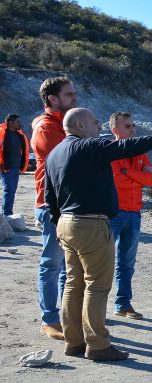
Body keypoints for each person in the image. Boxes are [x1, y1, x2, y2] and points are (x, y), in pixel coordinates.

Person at [44, 107, 152, 361]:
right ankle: (98, 345)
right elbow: (128, 146)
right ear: (80, 126)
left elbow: (50, 197)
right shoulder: (88, 147)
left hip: (67, 224)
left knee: (73, 284)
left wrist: (60, 224)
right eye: (94, 122)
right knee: (97, 286)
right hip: (90, 224)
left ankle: (74, 342)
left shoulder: (54, 153)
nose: (98, 125)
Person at [31, 77, 77, 340]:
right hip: (51, 205)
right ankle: (49, 320)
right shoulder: (46, 127)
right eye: (69, 94)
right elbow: (67, 161)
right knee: (51, 264)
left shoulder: (61, 125)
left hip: (68, 204)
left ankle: (66, 316)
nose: (74, 97)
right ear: (53, 99)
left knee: (66, 265)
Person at [109, 112, 152, 320]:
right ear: (115, 130)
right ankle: (93, 306)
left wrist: (129, 174)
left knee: (127, 263)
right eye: (127, 126)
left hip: (134, 213)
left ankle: (123, 304)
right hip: (113, 213)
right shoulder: (109, 152)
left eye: (133, 126)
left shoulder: (140, 153)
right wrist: (138, 177)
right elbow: (116, 180)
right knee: (101, 261)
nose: (132, 129)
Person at [0, 114, 31, 216]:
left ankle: (8, 213)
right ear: (10, 122)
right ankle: (6, 215)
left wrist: (22, 167)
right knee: (8, 190)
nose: (20, 123)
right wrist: (1, 165)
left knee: (12, 191)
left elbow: (24, 152)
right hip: (5, 168)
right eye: (17, 121)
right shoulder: (3, 133)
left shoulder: (18, 135)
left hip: (16, 168)